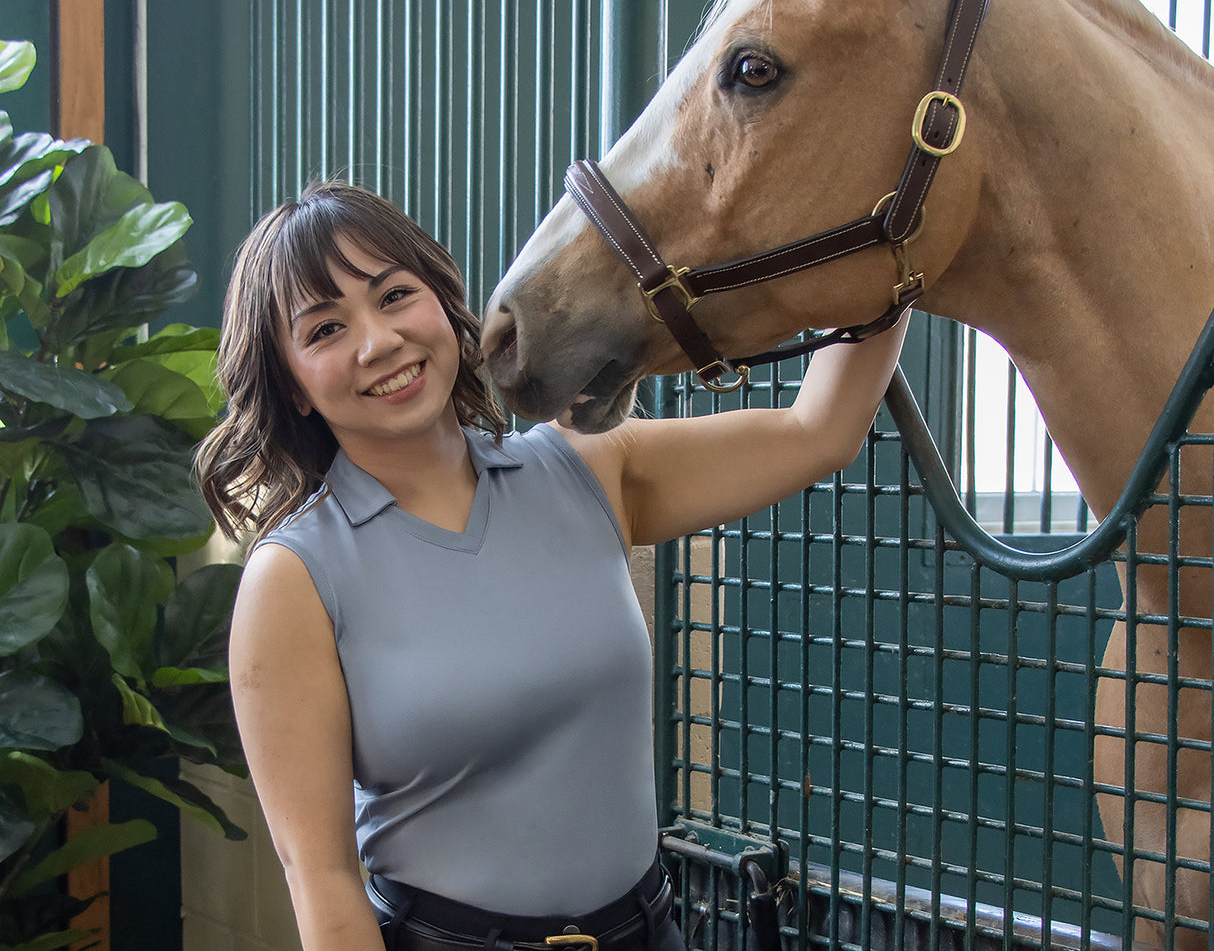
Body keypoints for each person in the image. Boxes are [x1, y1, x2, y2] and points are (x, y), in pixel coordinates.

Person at [196, 178, 908, 951]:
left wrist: (902, 240)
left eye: (395, 295)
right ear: (293, 386)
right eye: (326, 329)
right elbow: (322, 877)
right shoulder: (294, 577)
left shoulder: (588, 466)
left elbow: (818, 430)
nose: (379, 342)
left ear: (443, 301)